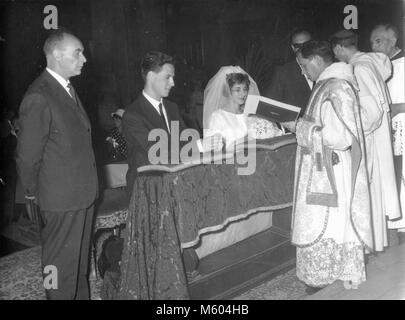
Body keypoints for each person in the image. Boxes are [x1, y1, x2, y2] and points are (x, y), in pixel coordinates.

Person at [16, 28, 98, 299]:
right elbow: (27, 156)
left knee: (77, 269)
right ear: (55, 55)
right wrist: (35, 193)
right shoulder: (40, 95)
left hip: (81, 194)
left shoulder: (66, 89)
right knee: (58, 271)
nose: (84, 58)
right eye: (78, 52)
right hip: (60, 199)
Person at [292, 40, 373, 291]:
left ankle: (324, 277)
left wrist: (302, 129)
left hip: (330, 169)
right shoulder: (327, 84)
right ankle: (329, 273)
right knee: (331, 224)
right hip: (324, 166)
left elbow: (340, 138)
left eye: (304, 65)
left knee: (329, 223)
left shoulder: (336, 86)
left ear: (316, 60)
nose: (303, 71)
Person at [330, 29, 401, 251]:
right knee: (373, 190)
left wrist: (350, 126)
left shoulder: (359, 68)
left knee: (367, 191)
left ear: (339, 48)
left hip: (368, 139)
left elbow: (370, 114)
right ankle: (371, 241)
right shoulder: (370, 62)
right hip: (376, 138)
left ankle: (367, 243)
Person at [122, 51, 222, 195]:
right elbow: (157, 153)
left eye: (173, 78)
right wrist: (200, 145)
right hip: (147, 189)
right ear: (151, 76)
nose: (173, 83)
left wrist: (207, 144)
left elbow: (184, 140)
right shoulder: (133, 115)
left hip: (175, 183)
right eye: (168, 77)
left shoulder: (172, 108)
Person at [370, 24, 405, 243]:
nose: (373, 46)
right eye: (372, 41)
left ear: (393, 41)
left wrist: (398, 108)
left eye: (378, 41)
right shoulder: (376, 67)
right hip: (385, 131)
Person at [203, 66, 282, 149]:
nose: (243, 94)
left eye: (245, 89)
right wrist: (246, 139)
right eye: (237, 90)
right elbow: (214, 148)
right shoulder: (218, 116)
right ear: (227, 91)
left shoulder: (250, 112)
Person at [264, 29, 313, 132]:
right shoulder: (283, 72)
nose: (302, 49)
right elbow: (271, 106)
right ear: (292, 47)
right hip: (296, 134)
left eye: (306, 45)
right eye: (297, 46)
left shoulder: (323, 67)